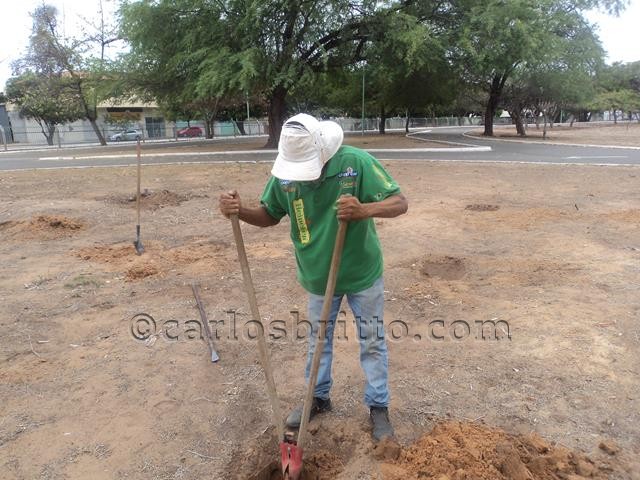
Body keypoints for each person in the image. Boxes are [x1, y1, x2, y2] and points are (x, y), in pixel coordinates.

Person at [219, 113, 408, 441]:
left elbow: (399, 202)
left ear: (323, 151)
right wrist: (240, 211)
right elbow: (269, 214)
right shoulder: (285, 175)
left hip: (361, 271)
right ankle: (317, 398)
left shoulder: (355, 163)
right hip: (318, 274)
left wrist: (365, 209)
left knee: (372, 340)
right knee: (317, 341)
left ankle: (378, 406)